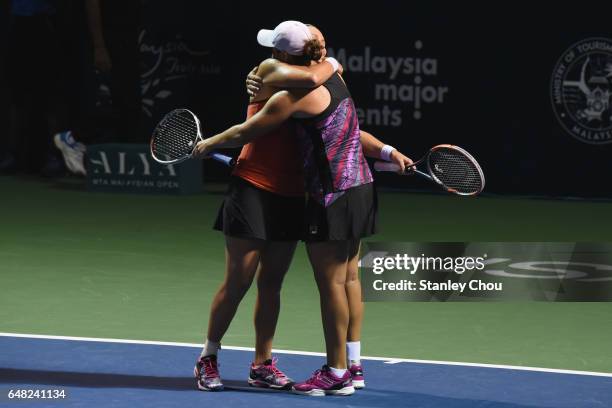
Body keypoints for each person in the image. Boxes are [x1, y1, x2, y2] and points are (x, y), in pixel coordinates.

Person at [194, 21, 413, 397]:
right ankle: (208, 356)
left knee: (272, 281)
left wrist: (386, 150)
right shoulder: (269, 75)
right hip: (253, 189)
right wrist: (332, 63)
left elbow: (342, 127)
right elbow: (249, 129)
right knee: (239, 281)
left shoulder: (315, 82)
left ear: (284, 53)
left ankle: (262, 364)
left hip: (295, 194)